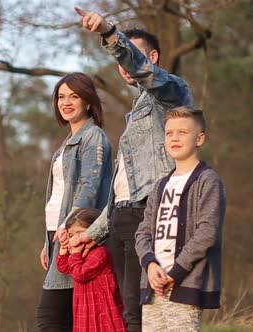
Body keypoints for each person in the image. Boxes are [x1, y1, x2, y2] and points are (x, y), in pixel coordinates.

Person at [73, 7, 195, 331]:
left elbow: (146, 73)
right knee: (131, 315)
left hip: (150, 214)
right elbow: (123, 186)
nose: (124, 65)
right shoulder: (135, 114)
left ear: (152, 56)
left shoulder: (172, 94)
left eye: (131, 55)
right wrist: (94, 232)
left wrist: (110, 34)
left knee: (152, 313)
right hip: (123, 219)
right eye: (120, 59)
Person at [135, 106, 226, 331]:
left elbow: (207, 233)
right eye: (169, 133)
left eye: (183, 132)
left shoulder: (207, 181)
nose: (174, 137)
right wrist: (150, 264)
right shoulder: (159, 185)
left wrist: (175, 273)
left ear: (200, 138)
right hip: (153, 286)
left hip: (185, 284)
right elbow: (143, 232)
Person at [37, 72, 113, 332]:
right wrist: (47, 242)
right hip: (58, 235)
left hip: (74, 236)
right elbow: (57, 195)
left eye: (74, 96)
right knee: (70, 317)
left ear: (88, 102)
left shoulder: (93, 138)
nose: (66, 102)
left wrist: (68, 229)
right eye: (61, 97)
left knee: (49, 317)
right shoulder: (66, 143)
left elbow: (89, 188)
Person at [56, 208, 127, 332]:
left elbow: (80, 274)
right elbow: (65, 267)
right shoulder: (80, 255)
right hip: (86, 309)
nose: (75, 239)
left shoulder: (100, 253)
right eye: (71, 235)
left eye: (80, 233)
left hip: (101, 312)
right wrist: (63, 250)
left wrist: (75, 253)